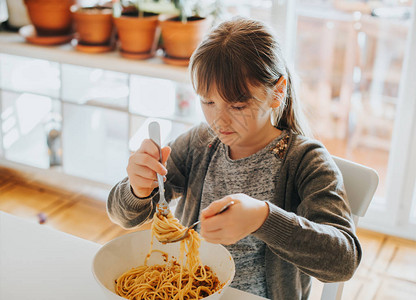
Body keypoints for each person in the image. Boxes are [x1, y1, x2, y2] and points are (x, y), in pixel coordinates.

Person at [107, 17, 361, 300]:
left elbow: (344, 261)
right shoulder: (199, 144)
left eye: (238, 105)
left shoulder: (304, 161)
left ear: (277, 92)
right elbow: (123, 216)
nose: (219, 120)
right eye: (208, 101)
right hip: (186, 290)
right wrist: (137, 190)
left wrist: (264, 219)